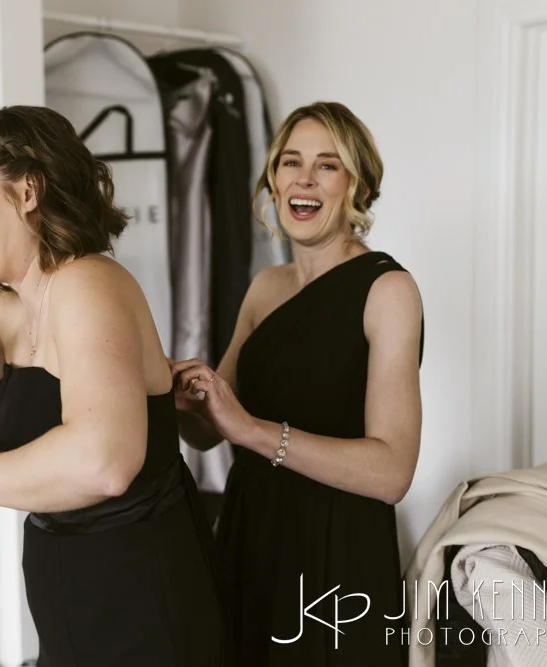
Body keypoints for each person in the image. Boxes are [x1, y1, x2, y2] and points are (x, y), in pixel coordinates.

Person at [0, 105, 225, 667]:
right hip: (72, 597)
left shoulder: (89, 284)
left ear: (27, 191)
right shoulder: (15, 308)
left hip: (142, 602)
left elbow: (104, 463)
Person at [171, 101, 424, 666]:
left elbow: (392, 473)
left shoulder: (388, 291)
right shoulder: (265, 287)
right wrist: (172, 393)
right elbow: (208, 432)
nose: (304, 178)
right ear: (274, 180)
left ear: (358, 187)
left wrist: (253, 432)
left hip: (337, 553)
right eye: (291, 162)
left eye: (327, 165)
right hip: (252, 538)